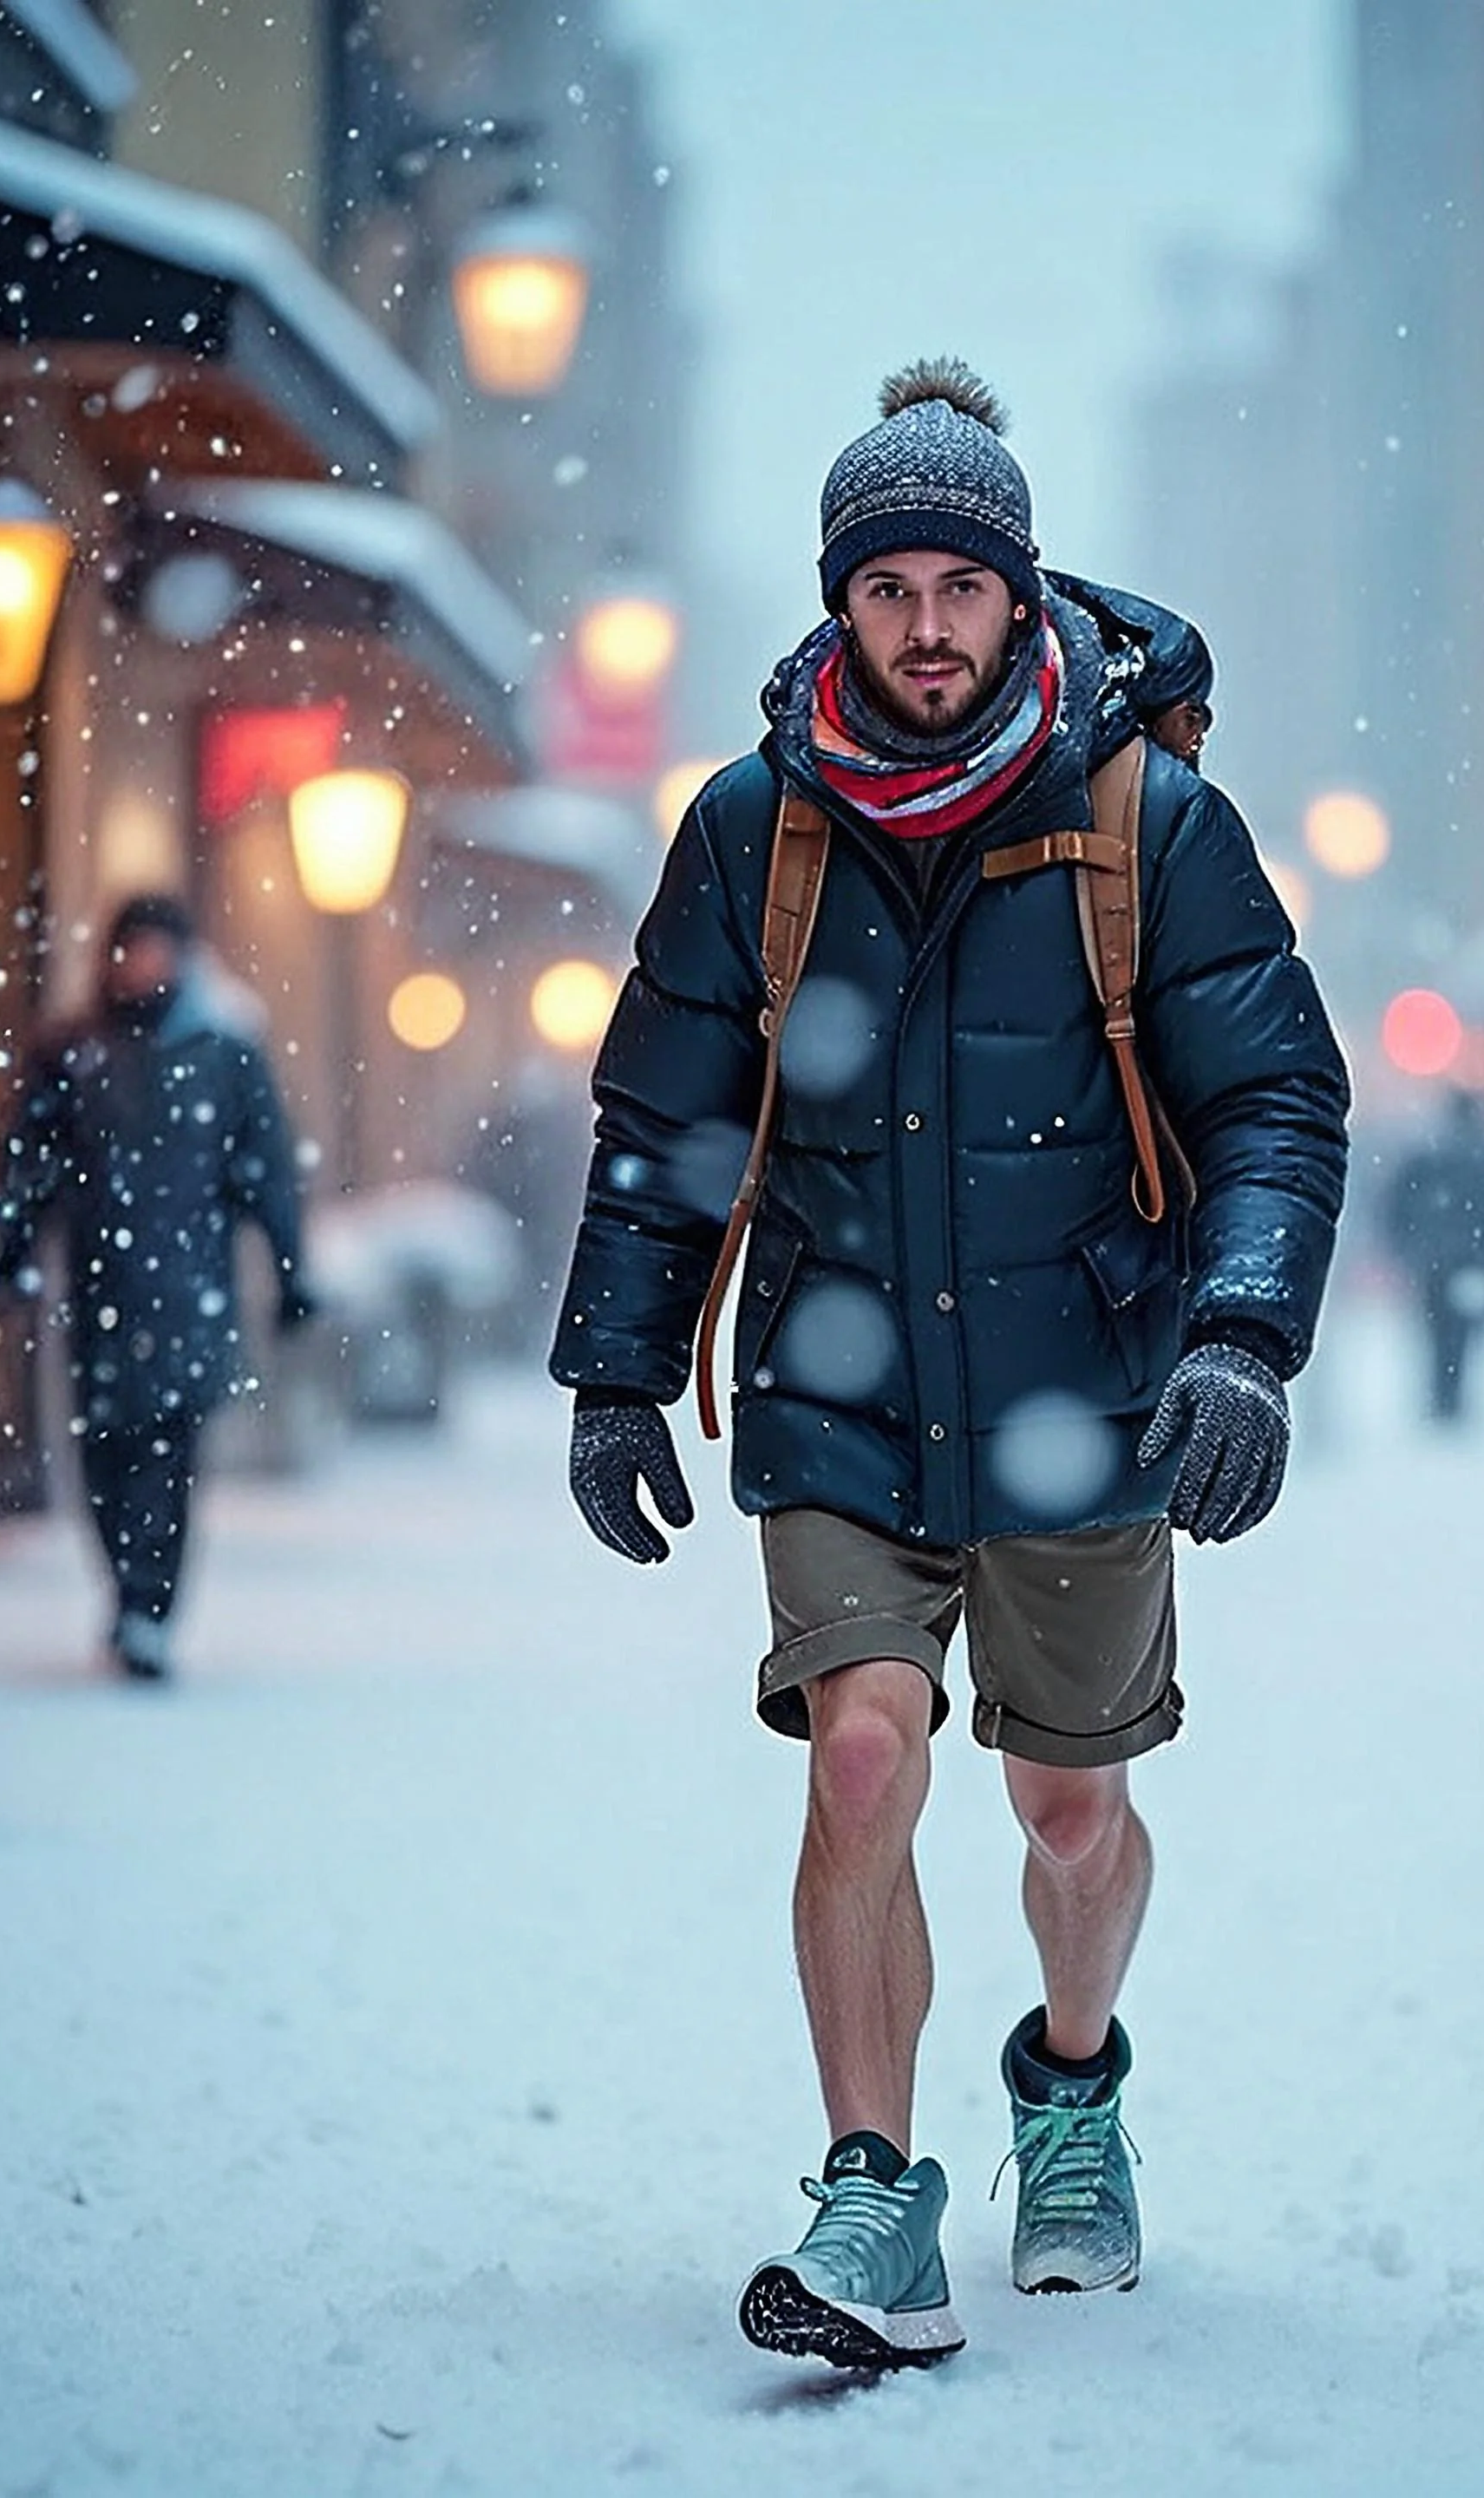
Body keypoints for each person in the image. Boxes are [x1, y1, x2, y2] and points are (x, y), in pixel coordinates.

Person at [552, 359, 1350, 2372]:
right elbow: (664, 1115)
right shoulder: (754, 832)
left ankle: (1070, 2092)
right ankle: (867, 2194)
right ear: (841, 603)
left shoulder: (1139, 821)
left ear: (1014, 600)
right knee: (860, 1751)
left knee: (1067, 1805)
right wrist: (617, 1367)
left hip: (1088, 1378)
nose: (924, 624)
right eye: (886, 585)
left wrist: (1243, 1335)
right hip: (836, 1375)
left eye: (956, 588)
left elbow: (1273, 1099)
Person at [0, 893, 313, 1683]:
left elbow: (266, 1171)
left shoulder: (223, 1055)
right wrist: (13, 1247)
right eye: (132, 952)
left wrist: (290, 1270)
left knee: (168, 1457)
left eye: (160, 954)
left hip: (191, 1291)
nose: (144, 969)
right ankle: (126, 1592)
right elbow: (27, 1163)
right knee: (103, 1453)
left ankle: (150, 1610)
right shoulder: (71, 1052)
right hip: (101, 1288)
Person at [1386, 1094, 1484, 1427]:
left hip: (1434, 1261)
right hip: (1468, 1262)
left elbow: (1398, 1207)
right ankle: (1452, 1396)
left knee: (1436, 1332)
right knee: (1462, 1332)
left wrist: (1407, 1247)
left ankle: (1440, 1396)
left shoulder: (1428, 1157)